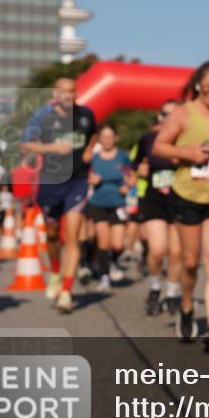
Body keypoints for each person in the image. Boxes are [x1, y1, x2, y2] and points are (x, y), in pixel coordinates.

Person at [153, 62, 209, 351]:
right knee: (190, 263)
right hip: (188, 194)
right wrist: (187, 152)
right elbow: (159, 147)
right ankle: (187, 306)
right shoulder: (183, 113)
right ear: (197, 87)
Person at [21, 77, 98, 313]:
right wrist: (52, 148)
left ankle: (66, 291)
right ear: (55, 93)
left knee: (72, 237)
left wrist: (87, 150)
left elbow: (93, 134)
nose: (68, 96)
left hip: (78, 181)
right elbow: (26, 145)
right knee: (53, 234)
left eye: (72, 92)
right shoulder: (43, 116)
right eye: (63, 92)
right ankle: (55, 271)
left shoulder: (86, 114)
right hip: (51, 181)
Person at [133, 101, 184, 316]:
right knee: (157, 249)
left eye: (175, 115)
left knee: (176, 252)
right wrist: (140, 168)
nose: (169, 119)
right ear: (159, 116)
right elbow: (136, 163)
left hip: (181, 199)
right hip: (154, 199)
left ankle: (172, 292)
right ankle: (155, 287)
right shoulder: (148, 139)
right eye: (165, 114)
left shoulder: (187, 140)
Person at [85, 124, 134, 292]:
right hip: (98, 203)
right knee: (103, 242)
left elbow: (132, 175)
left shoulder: (122, 156)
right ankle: (103, 277)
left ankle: (113, 261)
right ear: (99, 139)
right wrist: (91, 179)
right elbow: (84, 176)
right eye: (103, 137)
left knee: (118, 244)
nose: (106, 140)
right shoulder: (94, 157)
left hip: (118, 203)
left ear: (116, 138)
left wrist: (128, 186)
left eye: (109, 137)